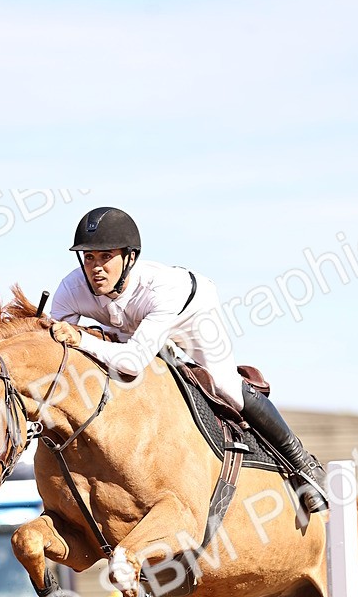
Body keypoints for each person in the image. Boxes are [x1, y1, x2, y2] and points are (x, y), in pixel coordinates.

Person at [50, 206, 328, 513]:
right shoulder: (70, 289)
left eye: (106, 256)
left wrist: (82, 339)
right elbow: (57, 347)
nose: (96, 268)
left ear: (129, 257)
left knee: (225, 386)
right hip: (130, 325)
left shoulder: (160, 289)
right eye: (89, 257)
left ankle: (304, 465)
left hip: (191, 314)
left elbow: (132, 362)